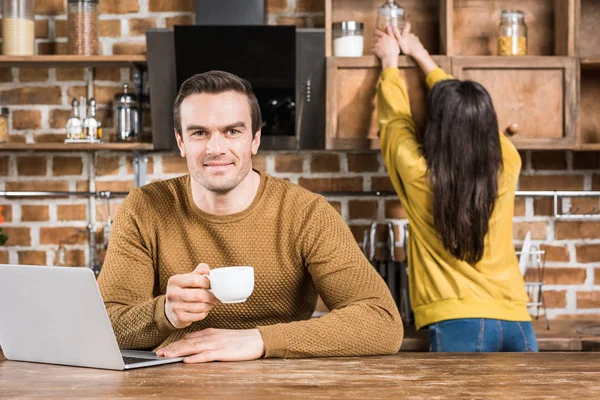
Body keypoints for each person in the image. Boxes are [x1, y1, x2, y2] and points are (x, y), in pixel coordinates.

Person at [97, 70, 403, 363]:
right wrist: (164, 313)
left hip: (280, 385)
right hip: (173, 382)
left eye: (232, 131)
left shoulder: (307, 213)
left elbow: (383, 322)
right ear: (181, 142)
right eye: (199, 133)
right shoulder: (145, 207)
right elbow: (103, 324)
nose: (216, 148)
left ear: (254, 139)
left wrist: (259, 340)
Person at [372, 23, 538, 352]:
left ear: (438, 128)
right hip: (517, 321)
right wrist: (422, 55)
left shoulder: (418, 174)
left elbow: (396, 120)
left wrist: (391, 63)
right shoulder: (508, 162)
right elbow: (464, 110)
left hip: (457, 322)